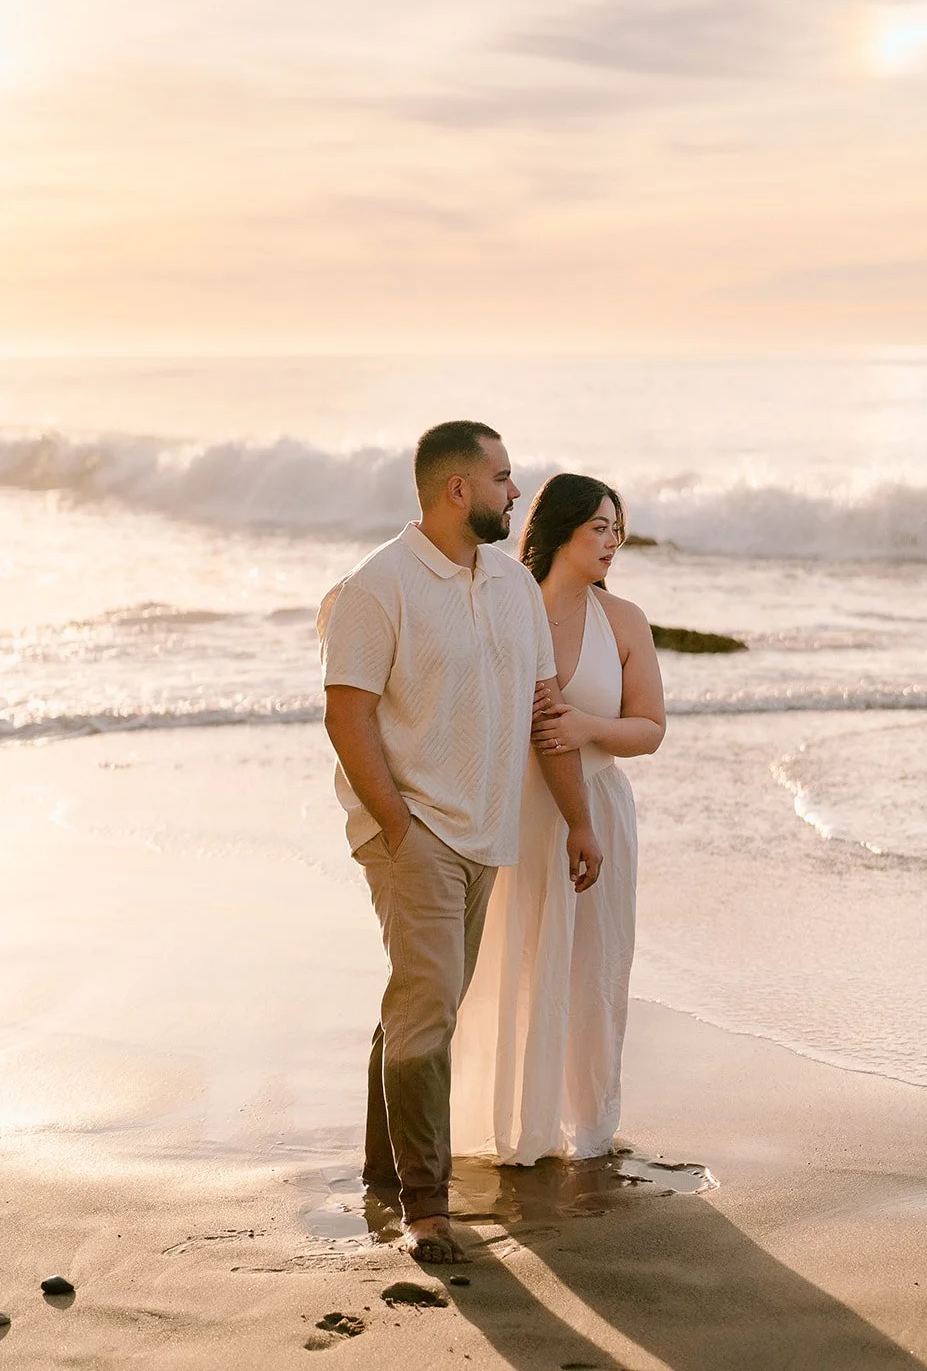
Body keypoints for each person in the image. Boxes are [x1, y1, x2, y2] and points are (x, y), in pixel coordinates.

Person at [316, 423, 601, 1264]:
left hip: (487, 832)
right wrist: (399, 827)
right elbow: (347, 713)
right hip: (415, 830)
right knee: (431, 1003)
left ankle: (379, 1165)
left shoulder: (513, 588)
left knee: (422, 998)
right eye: (503, 478)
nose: (517, 493)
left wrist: (578, 818)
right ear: (456, 491)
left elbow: (546, 710)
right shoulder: (377, 587)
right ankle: (426, 1207)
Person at [451, 473, 665, 1165]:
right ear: (557, 533)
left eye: (616, 530)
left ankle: (589, 1128)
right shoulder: (507, 609)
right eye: (597, 529)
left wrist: (585, 727)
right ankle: (512, 1127)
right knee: (512, 963)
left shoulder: (624, 620)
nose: (611, 543)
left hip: (597, 805)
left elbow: (649, 729)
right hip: (519, 810)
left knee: (595, 969)